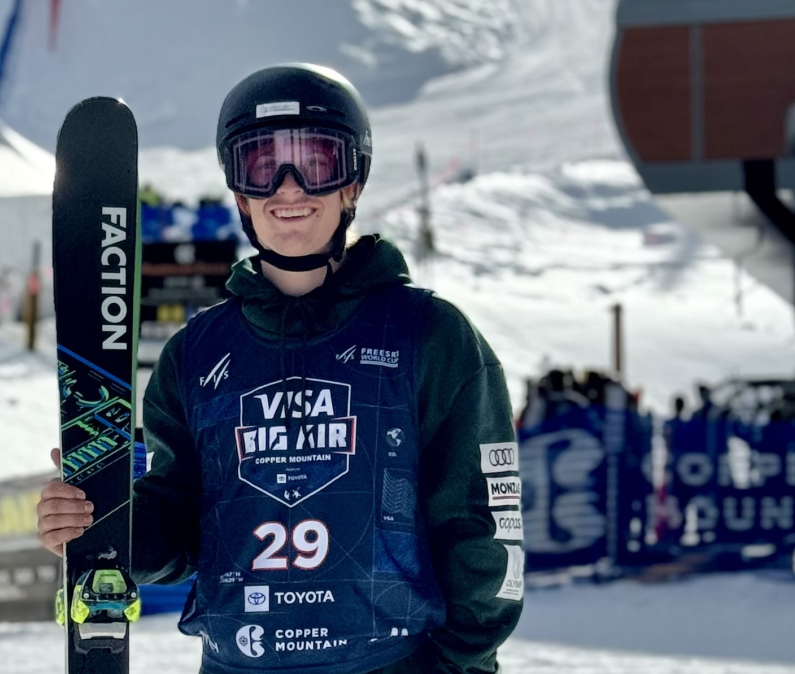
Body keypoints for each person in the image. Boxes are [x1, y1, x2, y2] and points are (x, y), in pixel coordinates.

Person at [37, 65, 523, 674]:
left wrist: (460, 666)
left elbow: (484, 530)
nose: (288, 189)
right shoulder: (196, 354)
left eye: (316, 162)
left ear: (353, 182)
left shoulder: (429, 335)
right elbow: (182, 527)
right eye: (262, 166)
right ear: (240, 194)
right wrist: (102, 522)